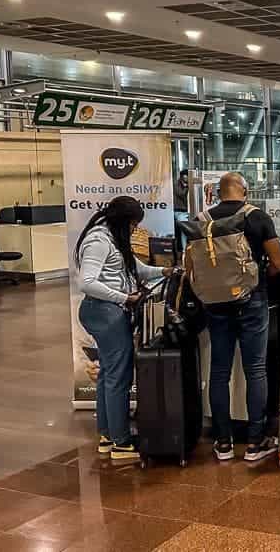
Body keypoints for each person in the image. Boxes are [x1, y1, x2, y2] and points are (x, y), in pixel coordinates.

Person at [75, 196, 173, 461]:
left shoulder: (111, 237)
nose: (134, 230)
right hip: (104, 312)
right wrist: (123, 298)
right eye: (132, 225)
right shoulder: (98, 241)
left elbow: (133, 270)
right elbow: (86, 282)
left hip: (105, 312)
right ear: (122, 221)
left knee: (108, 374)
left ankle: (107, 435)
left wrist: (163, 272)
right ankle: (121, 442)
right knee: (118, 377)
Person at [202, 172, 280, 462]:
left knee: (219, 371)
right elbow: (278, 262)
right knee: (255, 370)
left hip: (214, 303)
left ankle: (223, 442)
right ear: (245, 190)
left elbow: (190, 264)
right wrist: (258, 278)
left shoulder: (203, 219)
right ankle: (255, 441)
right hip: (251, 301)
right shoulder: (256, 217)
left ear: (217, 192)